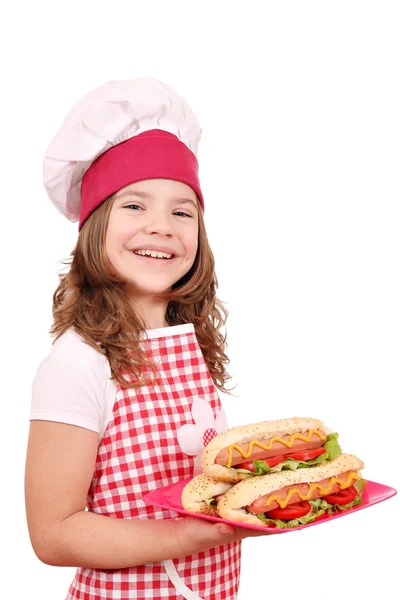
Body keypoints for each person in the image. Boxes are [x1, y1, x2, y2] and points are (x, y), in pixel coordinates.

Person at [24, 77, 267, 600]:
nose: (161, 226)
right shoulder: (77, 364)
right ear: (93, 226)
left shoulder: (186, 345)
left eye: (182, 211)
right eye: (135, 206)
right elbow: (53, 534)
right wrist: (187, 536)